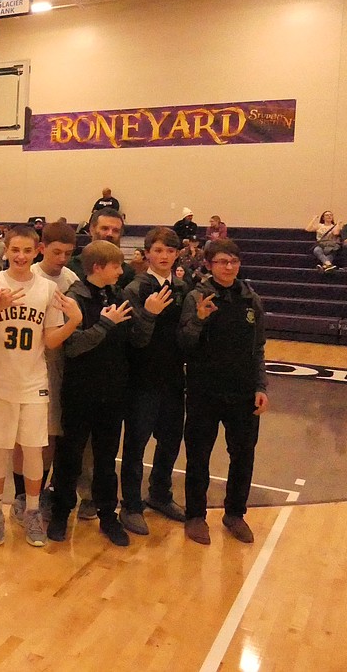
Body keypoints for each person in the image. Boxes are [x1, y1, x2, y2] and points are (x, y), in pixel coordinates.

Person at [0, 224, 80, 547]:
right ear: (5, 250)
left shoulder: (47, 290)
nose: (20, 256)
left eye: (26, 250)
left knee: (34, 450)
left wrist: (74, 322)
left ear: (36, 251)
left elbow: (50, 341)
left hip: (33, 381)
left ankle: (32, 511)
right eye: (15, 250)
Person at [178, 239, 268, 546]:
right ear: (208, 265)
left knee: (243, 456)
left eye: (233, 261)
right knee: (198, 457)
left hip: (242, 393)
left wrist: (260, 386)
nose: (228, 267)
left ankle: (234, 514)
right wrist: (198, 321)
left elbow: (258, 348)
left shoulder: (251, 299)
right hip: (204, 392)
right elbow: (185, 344)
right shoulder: (197, 296)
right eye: (221, 262)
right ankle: (195, 516)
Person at [46, 240, 136, 547]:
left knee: (106, 459)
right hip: (80, 391)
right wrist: (105, 325)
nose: (121, 270)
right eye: (116, 266)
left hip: (112, 392)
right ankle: (60, 513)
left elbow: (129, 341)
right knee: (69, 457)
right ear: (97, 268)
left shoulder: (119, 295)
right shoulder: (74, 298)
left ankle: (108, 515)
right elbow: (73, 345)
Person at [120, 227, 189, 536]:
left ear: (177, 255)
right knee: (135, 445)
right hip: (142, 379)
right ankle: (131, 506)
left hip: (173, 378)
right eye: (159, 250)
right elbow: (132, 341)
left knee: (171, 440)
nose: (164, 256)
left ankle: (160, 494)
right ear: (147, 252)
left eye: (170, 251)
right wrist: (148, 315)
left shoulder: (184, 288)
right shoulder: (135, 288)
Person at [30, 221, 81, 522]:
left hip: (64, 362)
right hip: (35, 363)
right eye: (56, 252)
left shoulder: (72, 279)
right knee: (38, 436)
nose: (62, 259)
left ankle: (50, 491)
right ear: (42, 249)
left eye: (68, 253)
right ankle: (27, 496)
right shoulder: (31, 276)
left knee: (57, 432)